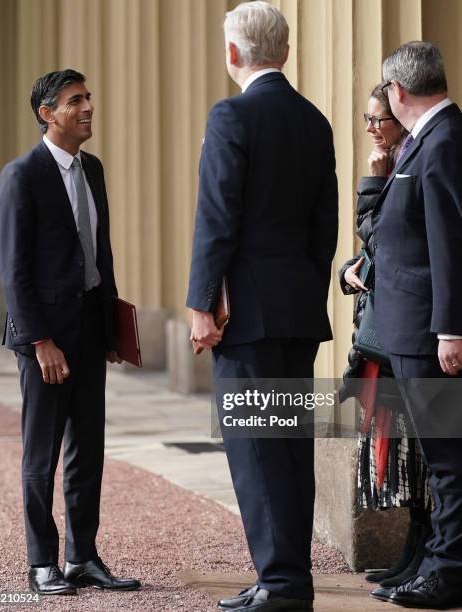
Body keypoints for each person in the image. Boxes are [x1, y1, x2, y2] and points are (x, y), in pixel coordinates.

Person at [187, 3, 338, 611]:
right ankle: (286, 578)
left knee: (255, 448)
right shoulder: (315, 120)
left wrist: (201, 302)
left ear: (232, 55)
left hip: (245, 315)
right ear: (286, 51)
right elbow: (323, 227)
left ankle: (281, 582)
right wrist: (304, 288)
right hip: (296, 309)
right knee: (287, 447)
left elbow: (217, 218)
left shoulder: (231, 114)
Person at [0, 69, 140, 596]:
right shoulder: (21, 175)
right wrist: (40, 342)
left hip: (88, 334)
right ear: (46, 113)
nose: (88, 107)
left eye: (88, 97)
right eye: (75, 101)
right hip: (45, 342)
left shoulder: (92, 169)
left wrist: (112, 328)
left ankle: (82, 558)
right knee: (42, 454)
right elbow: (13, 271)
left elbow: (99, 252)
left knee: (88, 451)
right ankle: (41, 563)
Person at [372, 42, 462, 609]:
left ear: (397, 92)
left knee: (449, 457)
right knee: (440, 456)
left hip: (431, 333)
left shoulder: (444, 140)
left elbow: (450, 243)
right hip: (413, 327)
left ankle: (448, 571)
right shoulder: (429, 138)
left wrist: (451, 328)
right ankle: (437, 561)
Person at [338, 84, 431, 594]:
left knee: (419, 460)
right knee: (405, 461)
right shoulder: (398, 169)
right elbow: (370, 250)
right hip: (384, 335)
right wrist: (349, 271)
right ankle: (412, 552)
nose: (371, 128)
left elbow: (383, 241)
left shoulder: (408, 170)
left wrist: (370, 184)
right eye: (368, 119)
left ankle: (423, 556)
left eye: (380, 120)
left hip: (410, 335)